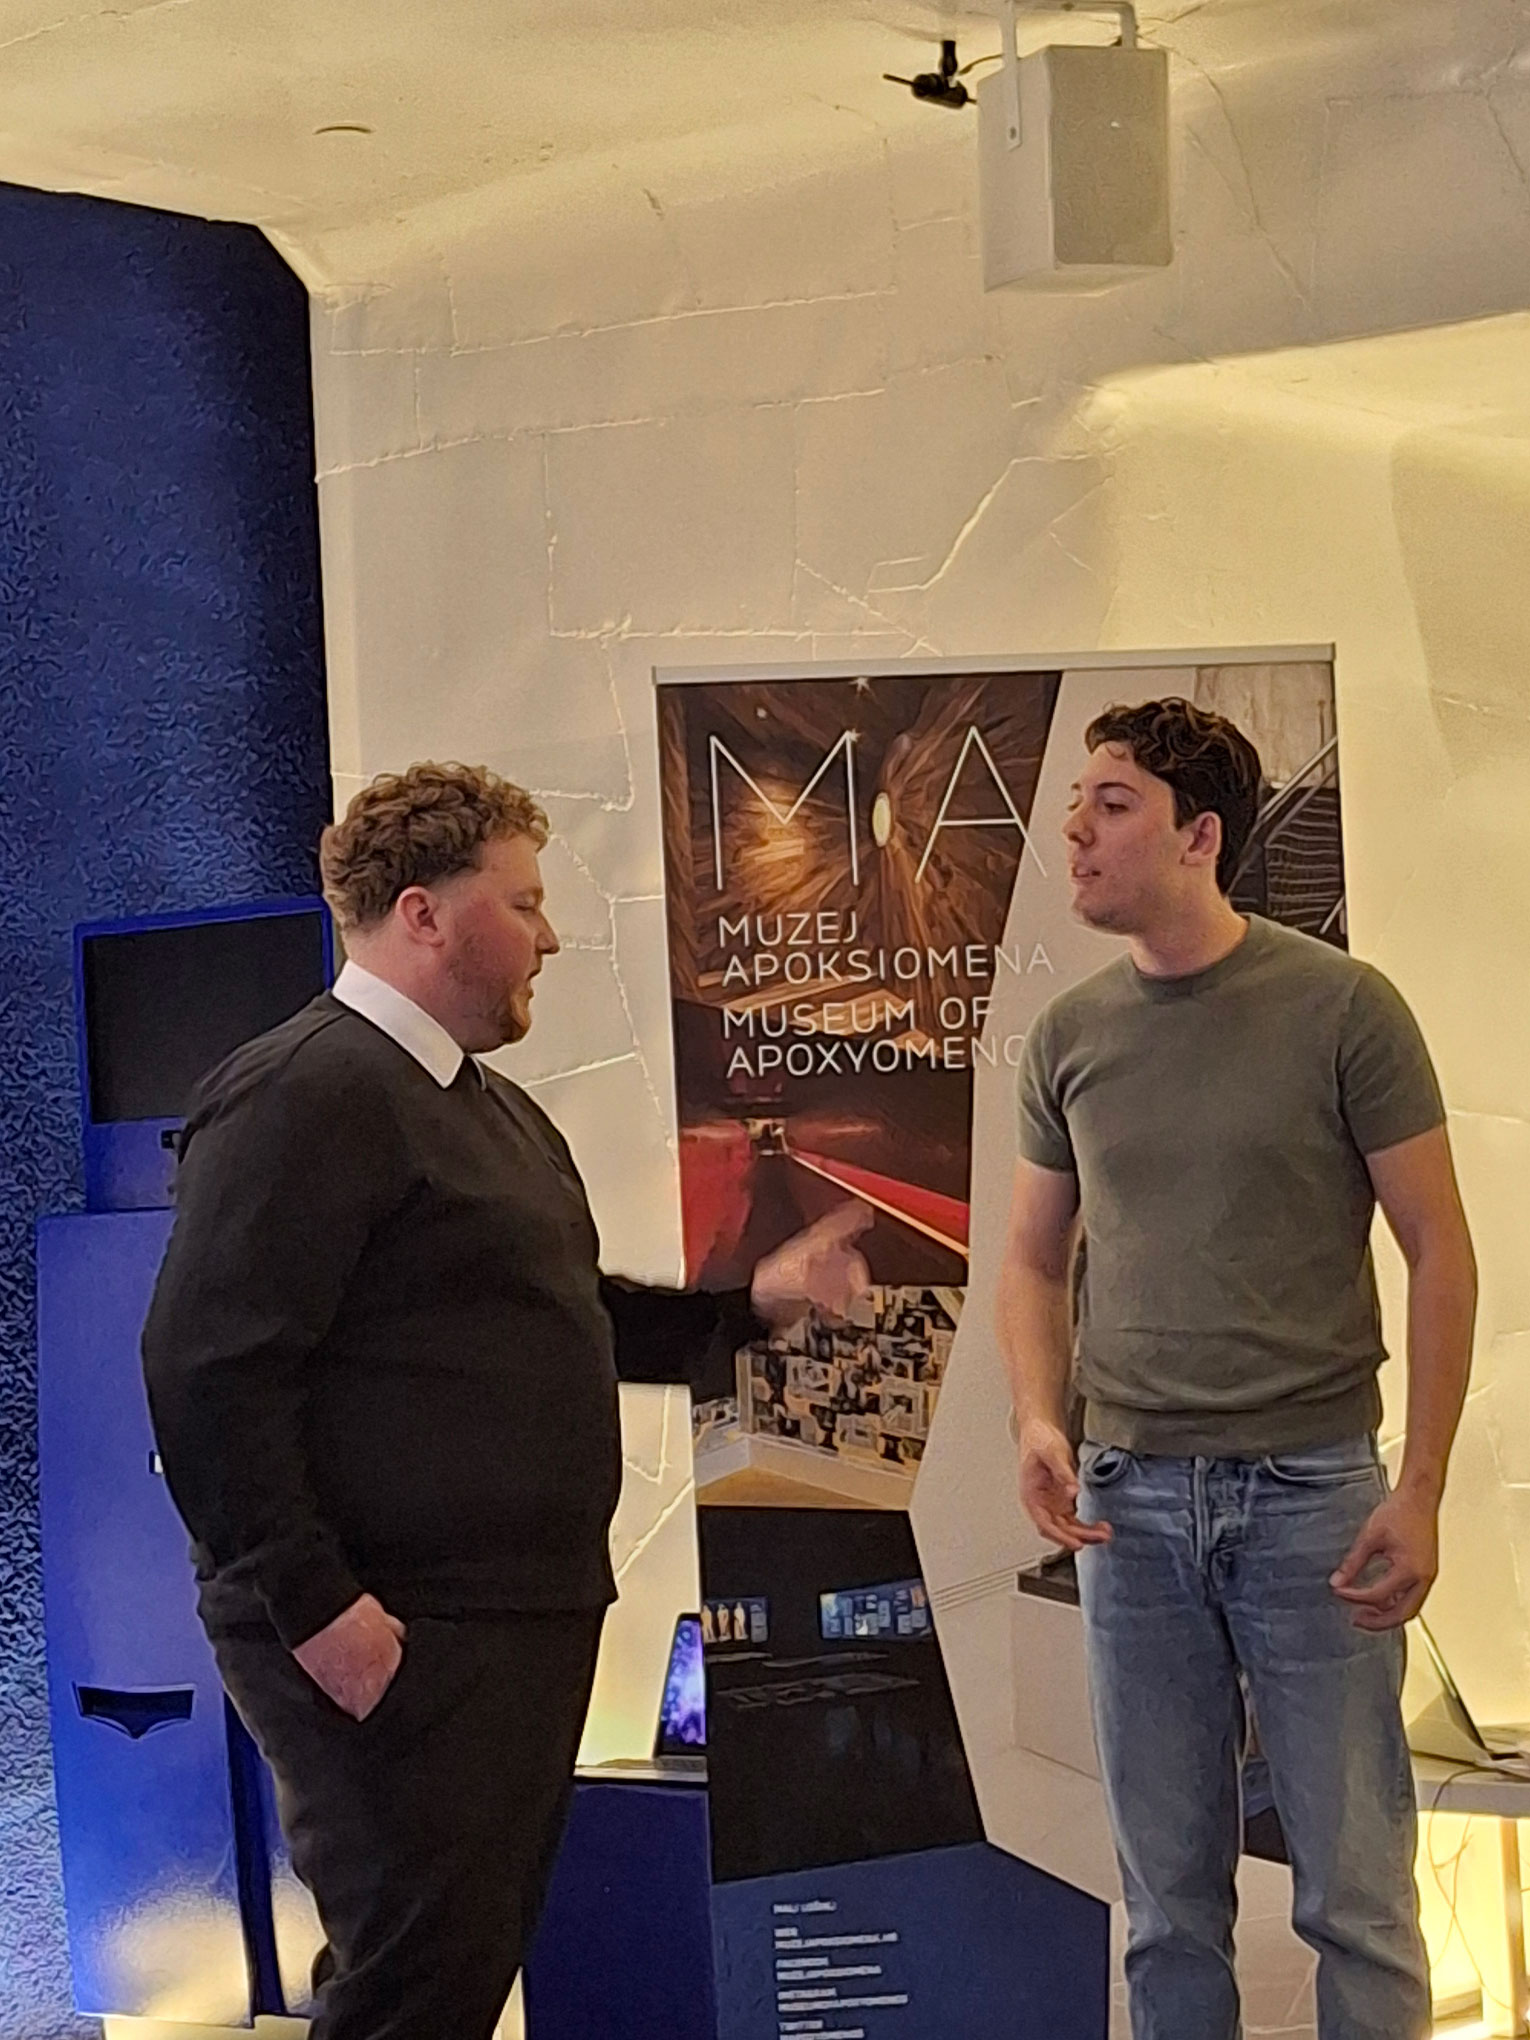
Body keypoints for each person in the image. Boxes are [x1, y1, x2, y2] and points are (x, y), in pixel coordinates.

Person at [142, 761, 871, 2040]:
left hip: (503, 1630)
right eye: (523, 903)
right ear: (423, 914)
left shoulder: (496, 1116)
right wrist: (319, 1612)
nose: (549, 937)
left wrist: (748, 1306)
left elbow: (561, 1318)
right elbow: (205, 1373)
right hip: (402, 1636)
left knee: (452, 1979)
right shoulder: (305, 1089)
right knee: (411, 1991)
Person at [998, 699, 1477, 2040]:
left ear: (1199, 836)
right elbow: (1030, 1260)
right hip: (1128, 1505)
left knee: (1357, 1900)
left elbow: (1440, 1248)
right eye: (1077, 801)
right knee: (1164, 1910)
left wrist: (1422, 1488)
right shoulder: (1069, 1036)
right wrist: (1036, 1418)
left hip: (1314, 1498)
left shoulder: (1343, 1009)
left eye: (1111, 805)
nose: (1075, 830)